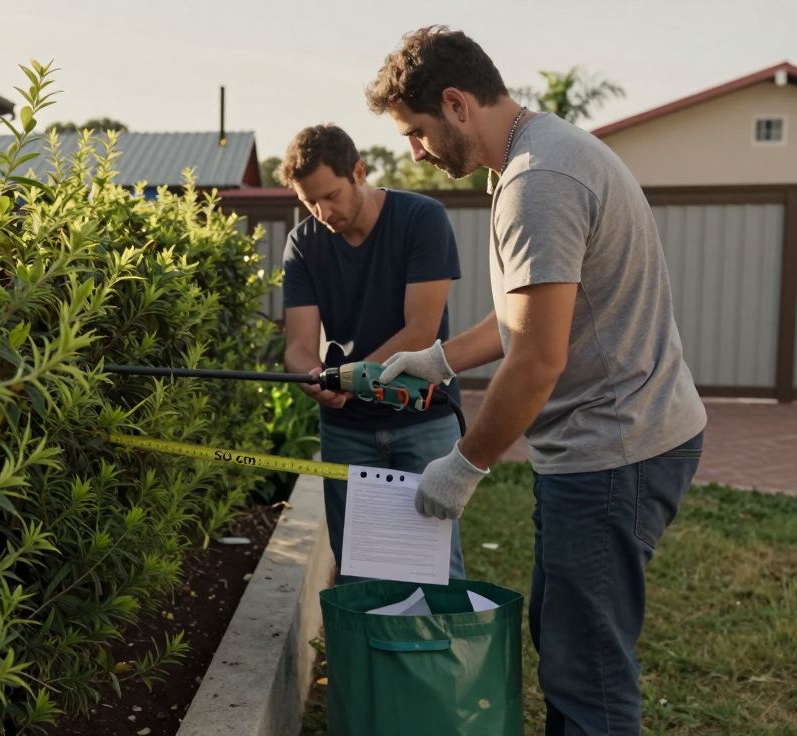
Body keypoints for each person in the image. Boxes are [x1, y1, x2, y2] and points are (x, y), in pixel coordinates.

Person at [366, 26, 708, 735]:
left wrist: (463, 467)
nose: (415, 153)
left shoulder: (538, 183)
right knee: (565, 636)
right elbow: (527, 317)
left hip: (615, 451)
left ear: (457, 104)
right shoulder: (541, 154)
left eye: (416, 133)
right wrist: (440, 360)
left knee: (588, 673)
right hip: (616, 442)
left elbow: (537, 360)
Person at [277, 124, 465, 583]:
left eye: (331, 195)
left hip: (422, 416)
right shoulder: (304, 244)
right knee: (359, 574)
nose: (323, 212)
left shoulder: (422, 219)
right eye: (309, 201)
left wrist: (351, 378)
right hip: (346, 431)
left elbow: (421, 329)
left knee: (435, 573)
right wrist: (313, 377)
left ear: (359, 171)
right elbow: (299, 347)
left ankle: (437, 656)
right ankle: (366, 658)